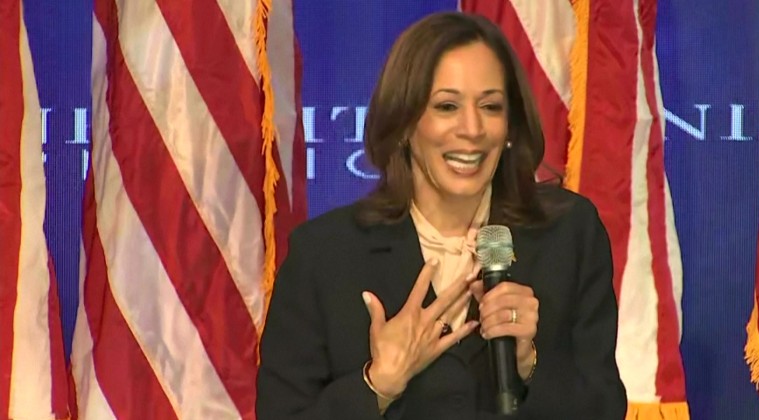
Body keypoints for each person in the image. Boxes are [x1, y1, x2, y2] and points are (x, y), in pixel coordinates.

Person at [256, 11, 626, 419]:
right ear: (403, 124)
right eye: (447, 106)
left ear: (509, 126)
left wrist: (527, 363)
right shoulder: (324, 255)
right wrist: (378, 384)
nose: (472, 129)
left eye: (491, 106)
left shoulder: (569, 234)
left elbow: (603, 407)